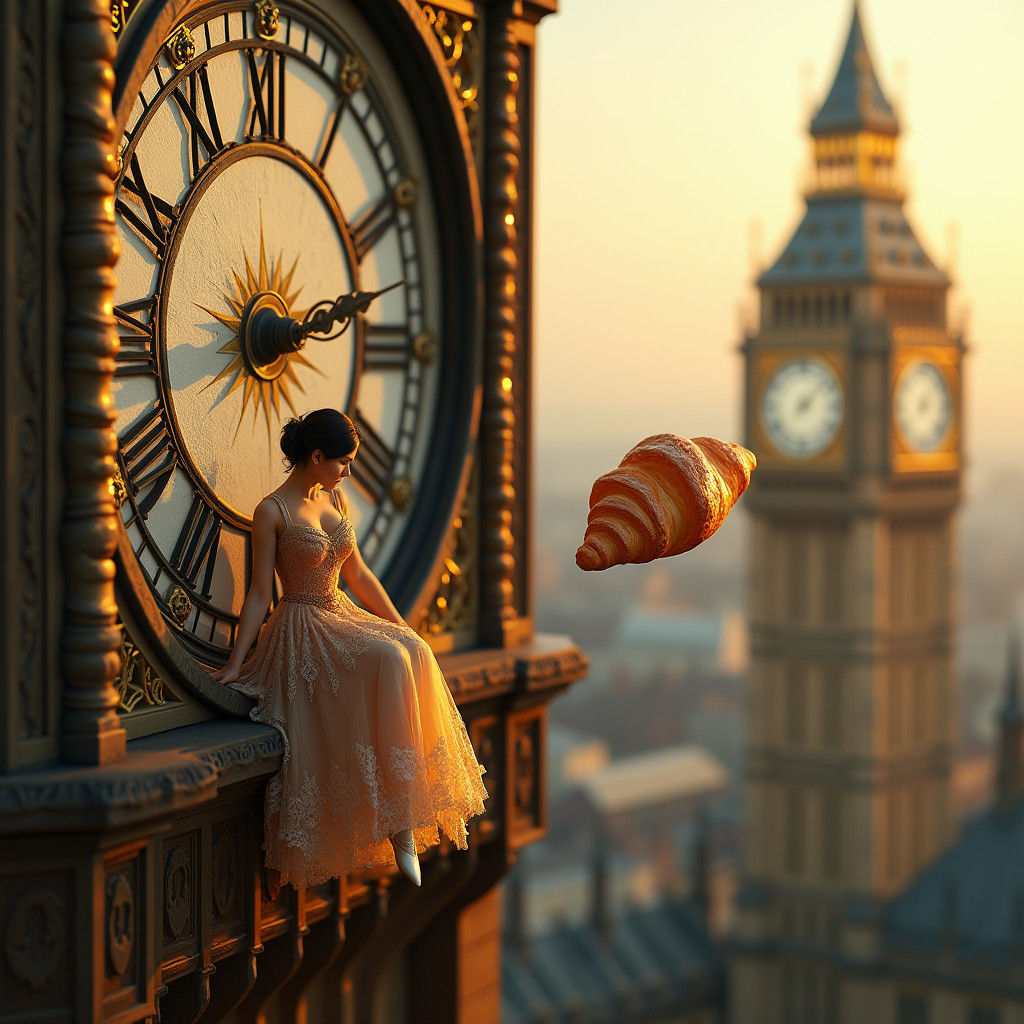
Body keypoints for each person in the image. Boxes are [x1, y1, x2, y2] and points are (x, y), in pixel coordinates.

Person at [210, 408, 488, 897]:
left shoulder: (332, 496)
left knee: (414, 651)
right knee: (390, 659)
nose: (348, 471)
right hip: (304, 623)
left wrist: (402, 625)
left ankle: (404, 808)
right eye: (343, 462)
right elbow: (258, 594)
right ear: (316, 457)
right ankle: (399, 818)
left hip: (339, 610)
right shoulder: (272, 511)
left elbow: (359, 575)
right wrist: (237, 662)